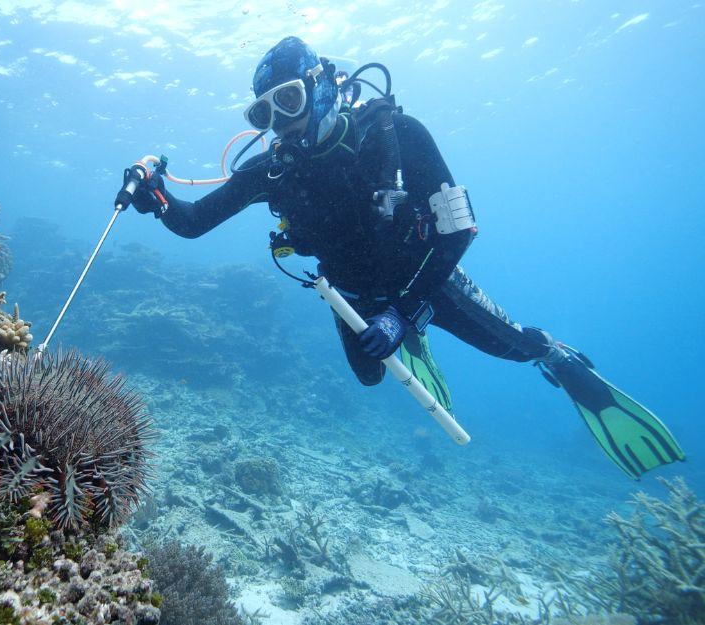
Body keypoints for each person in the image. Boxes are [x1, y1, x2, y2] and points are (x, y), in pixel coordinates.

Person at [127, 36, 683, 479]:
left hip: (427, 276)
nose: (282, 123)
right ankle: (410, 337)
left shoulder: (396, 135)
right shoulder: (274, 170)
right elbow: (194, 223)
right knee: (369, 377)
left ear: (322, 87)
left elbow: (459, 231)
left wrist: (407, 311)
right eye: (264, 113)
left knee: (509, 347)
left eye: (290, 100)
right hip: (349, 292)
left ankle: (555, 357)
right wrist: (153, 193)